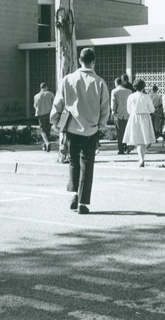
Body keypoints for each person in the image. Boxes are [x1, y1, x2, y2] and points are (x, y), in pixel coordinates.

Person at [50, 48, 109, 215]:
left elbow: (58, 102)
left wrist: (55, 121)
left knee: (73, 162)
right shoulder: (99, 82)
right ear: (94, 61)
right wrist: (101, 125)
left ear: (79, 60)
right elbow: (105, 108)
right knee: (87, 166)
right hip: (90, 130)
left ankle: (74, 194)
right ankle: (83, 202)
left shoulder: (68, 79)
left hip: (71, 128)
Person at [122, 78, 155, 168]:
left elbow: (129, 110)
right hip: (144, 117)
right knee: (143, 140)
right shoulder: (146, 97)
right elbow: (152, 109)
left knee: (139, 140)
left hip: (134, 117)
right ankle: (141, 158)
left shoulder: (131, 97)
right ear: (143, 87)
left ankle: (141, 158)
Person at [110, 77, 132, 155]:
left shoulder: (114, 91)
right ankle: (128, 146)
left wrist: (113, 112)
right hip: (128, 114)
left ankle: (121, 150)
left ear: (116, 83)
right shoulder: (129, 91)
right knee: (127, 131)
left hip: (118, 114)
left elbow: (113, 103)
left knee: (119, 132)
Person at [33, 82, 54, 152]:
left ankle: (46, 143)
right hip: (49, 113)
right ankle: (45, 144)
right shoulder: (50, 94)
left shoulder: (36, 96)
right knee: (48, 129)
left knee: (42, 130)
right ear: (46, 87)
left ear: (40, 87)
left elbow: (35, 106)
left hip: (41, 114)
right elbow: (54, 103)